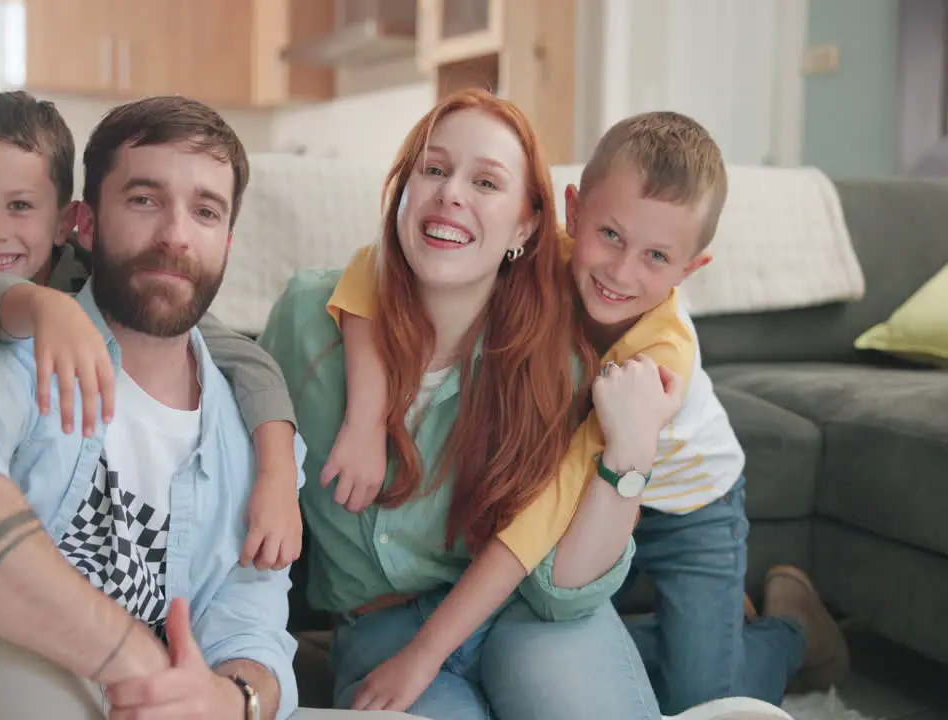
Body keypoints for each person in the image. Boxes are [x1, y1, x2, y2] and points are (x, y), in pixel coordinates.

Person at [317, 107, 848, 715]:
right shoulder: (537, 250)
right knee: (587, 641)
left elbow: (546, 510)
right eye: (610, 236)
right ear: (573, 212)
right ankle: (696, 636)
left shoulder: (656, 360)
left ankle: (790, 633)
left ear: (691, 269)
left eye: (656, 257)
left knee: (696, 701)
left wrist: (425, 653)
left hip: (687, 506)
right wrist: (365, 416)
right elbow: (373, 264)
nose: (620, 272)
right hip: (591, 505)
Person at [0, 94, 328, 720]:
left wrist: (231, 699)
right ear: (86, 223)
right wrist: (136, 662)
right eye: (144, 200)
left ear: (228, 242)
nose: (175, 236)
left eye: (205, 211)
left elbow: (252, 626)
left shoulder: (247, 432)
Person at [259, 88, 667, 720]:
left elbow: (561, 592)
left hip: (525, 614)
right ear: (404, 190)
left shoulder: (561, 361)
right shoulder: (310, 320)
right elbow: (215, 406)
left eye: (486, 182)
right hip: (379, 628)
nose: (452, 192)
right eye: (435, 169)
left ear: (528, 225)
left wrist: (631, 456)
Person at [0, 90, 303, 573]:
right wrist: (42, 306)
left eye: (20, 206)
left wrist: (278, 474)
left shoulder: (94, 268)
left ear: (67, 223)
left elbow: (243, 355)